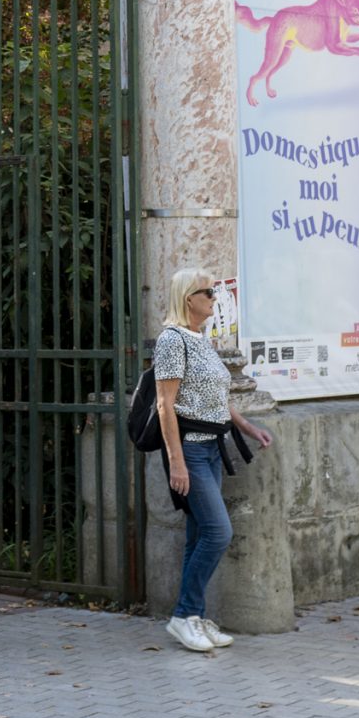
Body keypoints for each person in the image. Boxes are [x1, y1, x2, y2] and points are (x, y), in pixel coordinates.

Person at [152, 267, 273, 653]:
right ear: (189, 298)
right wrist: (175, 461)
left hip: (213, 449)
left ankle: (193, 617)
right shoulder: (172, 341)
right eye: (208, 292)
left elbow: (217, 397)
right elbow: (164, 404)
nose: (214, 298)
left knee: (198, 537)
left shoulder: (200, 339)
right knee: (219, 532)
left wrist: (248, 427)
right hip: (190, 450)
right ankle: (183, 614)